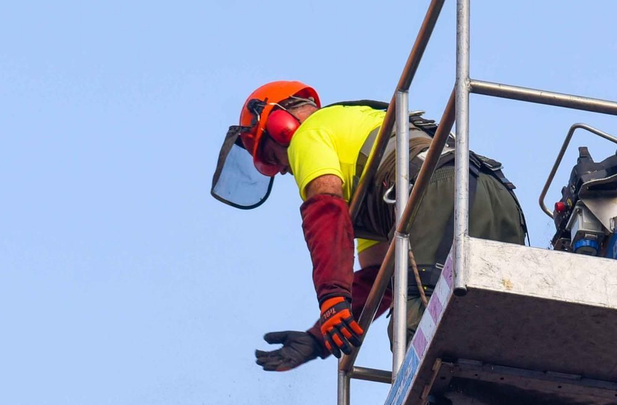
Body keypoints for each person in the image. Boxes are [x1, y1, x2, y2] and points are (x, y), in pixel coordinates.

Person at [210, 81, 526, 372]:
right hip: (494, 194)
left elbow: (325, 209)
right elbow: (381, 277)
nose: (280, 171)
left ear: (281, 127)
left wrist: (332, 298)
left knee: (421, 328)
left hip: (435, 193)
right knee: (500, 319)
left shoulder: (307, 135)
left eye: (268, 155)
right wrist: (319, 337)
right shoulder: (356, 147)